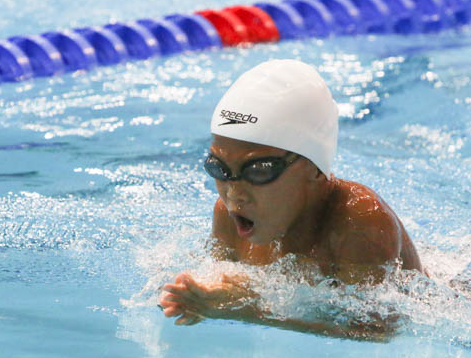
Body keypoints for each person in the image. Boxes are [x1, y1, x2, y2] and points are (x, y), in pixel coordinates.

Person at [159, 59, 423, 337]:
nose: (233, 193)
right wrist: (193, 299)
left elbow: (376, 331)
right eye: (218, 168)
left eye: (259, 171)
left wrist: (250, 312)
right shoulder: (228, 216)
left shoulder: (360, 222)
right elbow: (219, 290)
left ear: (314, 169)